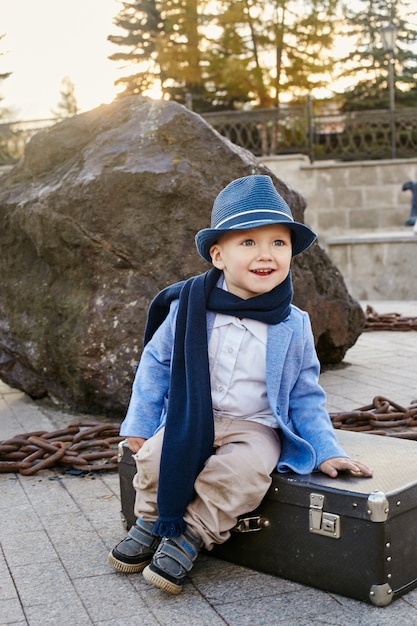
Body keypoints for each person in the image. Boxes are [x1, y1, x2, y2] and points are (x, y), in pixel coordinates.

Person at [108, 174, 373, 594]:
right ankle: (153, 520)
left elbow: (305, 394)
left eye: (278, 243)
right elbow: (156, 363)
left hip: (256, 425)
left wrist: (326, 450)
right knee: (157, 456)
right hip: (194, 413)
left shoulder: (293, 324)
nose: (265, 254)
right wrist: (140, 422)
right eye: (248, 242)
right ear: (218, 255)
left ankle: (191, 534)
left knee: (243, 474)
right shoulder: (188, 307)